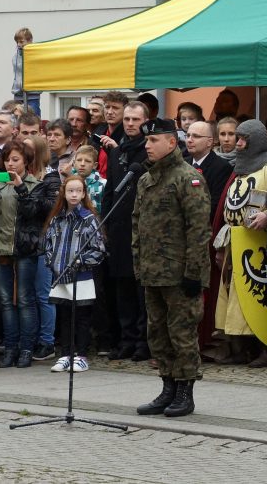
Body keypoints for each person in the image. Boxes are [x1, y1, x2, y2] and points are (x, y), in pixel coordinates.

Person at [133, 119, 212, 417]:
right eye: (147, 141)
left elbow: (198, 229)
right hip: (153, 271)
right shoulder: (146, 180)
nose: (147, 146)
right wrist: (139, 263)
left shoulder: (187, 178)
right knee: (158, 333)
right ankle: (167, 387)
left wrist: (194, 272)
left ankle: (184, 392)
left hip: (180, 273)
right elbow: (137, 226)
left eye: (153, 141)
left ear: (170, 142)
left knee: (182, 333)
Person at [211, 120, 267, 366]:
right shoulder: (240, 169)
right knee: (233, 297)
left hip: (259, 244)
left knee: (258, 297)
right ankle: (242, 348)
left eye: (242, 140)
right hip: (236, 242)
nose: (237, 144)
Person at [0, 141, 57, 369]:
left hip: (25, 248)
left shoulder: (36, 185)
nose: (10, 164)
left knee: (26, 300)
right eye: (7, 160)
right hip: (0, 247)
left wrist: (20, 188)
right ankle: (10, 348)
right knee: (7, 301)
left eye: (15, 159)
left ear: (26, 161)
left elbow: (33, 213)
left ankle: (27, 348)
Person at [43, 176, 107, 374]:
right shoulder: (57, 219)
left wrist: (80, 262)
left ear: (84, 194)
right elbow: (48, 243)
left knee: (82, 317)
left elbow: (99, 249)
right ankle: (65, 354)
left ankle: (80, 355)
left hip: (81, 275)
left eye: (78, 191)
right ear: (64, 192)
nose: (74, 194)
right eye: (70, 190)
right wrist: (51, 261)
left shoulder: (88, 219)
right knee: (65, 315)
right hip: (60, 274)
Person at [101, 101, 149, 361]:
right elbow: (110, 191)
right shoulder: (117, 151)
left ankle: (143, 341)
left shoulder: (149, 152)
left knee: (140, 290)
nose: (130, 124)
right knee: (122, 290)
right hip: (119, 230)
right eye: (127, 119)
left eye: (135, 120)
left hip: (140, 230)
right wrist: (106, 226)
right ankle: (126, 339)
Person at [21, 134, 61, 361]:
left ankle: (47, 341)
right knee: (26, 296)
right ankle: (30, 339)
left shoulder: (51, 177)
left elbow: (50, 208)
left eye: (27, 149)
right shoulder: (21, 176)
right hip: (25, 242)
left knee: (44, 295)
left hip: (45, 243)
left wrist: (24, 192)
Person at [186, 120, 230, 218]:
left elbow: (215, 205)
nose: (189, 140)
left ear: (209, 142)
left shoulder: (221, 167)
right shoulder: (181, 163)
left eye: (196, 136)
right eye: (188, 135)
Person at [12, 28, 40, 117]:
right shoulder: (17, 55)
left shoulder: (35, 54)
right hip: (18, 92)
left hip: (32, 93)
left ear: (30, 41)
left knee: (33, 116)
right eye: (17, 42)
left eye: (21, 42)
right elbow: (18, 68)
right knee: (17, 116)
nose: (19, 45)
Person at [71, 145, 105, 212]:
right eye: (79, 160)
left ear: (95, 165)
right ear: (74, 163)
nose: (82, 164)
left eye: (87, 161)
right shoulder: (68, 183)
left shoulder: (103, 184)